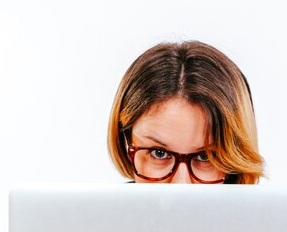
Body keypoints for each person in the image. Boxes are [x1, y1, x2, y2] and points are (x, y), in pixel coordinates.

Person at [107, 40, 266, 184]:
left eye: (205, 157)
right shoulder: (98, 216)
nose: (181, 184)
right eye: (159, 153)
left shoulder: (271, 216)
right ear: (126, 144)